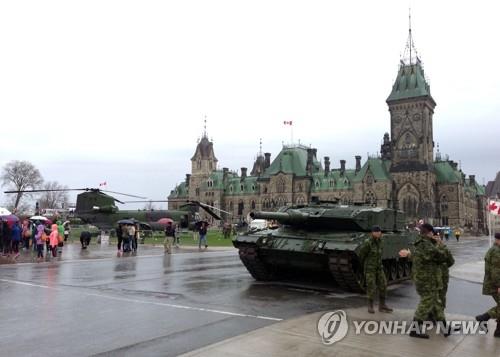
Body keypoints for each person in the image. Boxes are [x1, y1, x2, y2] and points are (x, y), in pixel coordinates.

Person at [399, 223, 448, 338]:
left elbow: (419, 256)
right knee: (426, 303)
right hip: (426, 279)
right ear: (429, 232)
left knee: (436, 303)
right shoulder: (426, 244)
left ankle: (445, 329)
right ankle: (415, 330)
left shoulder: (420, 243)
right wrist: (440, 244)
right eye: (432, 232)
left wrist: (410, 254)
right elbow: (442, 256)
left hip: (425, 277)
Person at [358, 225, 393, 314]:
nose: (378, 233)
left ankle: (382, 305)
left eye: (379, 231)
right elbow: (362, 255)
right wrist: (365, 265)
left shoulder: (380, 241)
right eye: (376, 231)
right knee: (371, 286)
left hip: (379, 267)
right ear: (372, 233)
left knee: (383, 285)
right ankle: (370, 305)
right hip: (370, 268)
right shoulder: (368, 243)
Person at [475, 232, 500, 338]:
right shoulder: (496, 252)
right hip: (495, 284)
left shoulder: (496, 250)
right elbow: (496, 271)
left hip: (494, 283)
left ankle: (498, 331)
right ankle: (484, 318)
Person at [434, 231, 454, 309]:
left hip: (441, 277)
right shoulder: (431, 248)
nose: (436, 238)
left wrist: (443, 267)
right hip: (435, 277)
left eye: (437, 237)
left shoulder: (443, 248)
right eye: (435, 237)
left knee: (440, 296)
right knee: (436, 297)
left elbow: (451, 261)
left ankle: (440, 313)